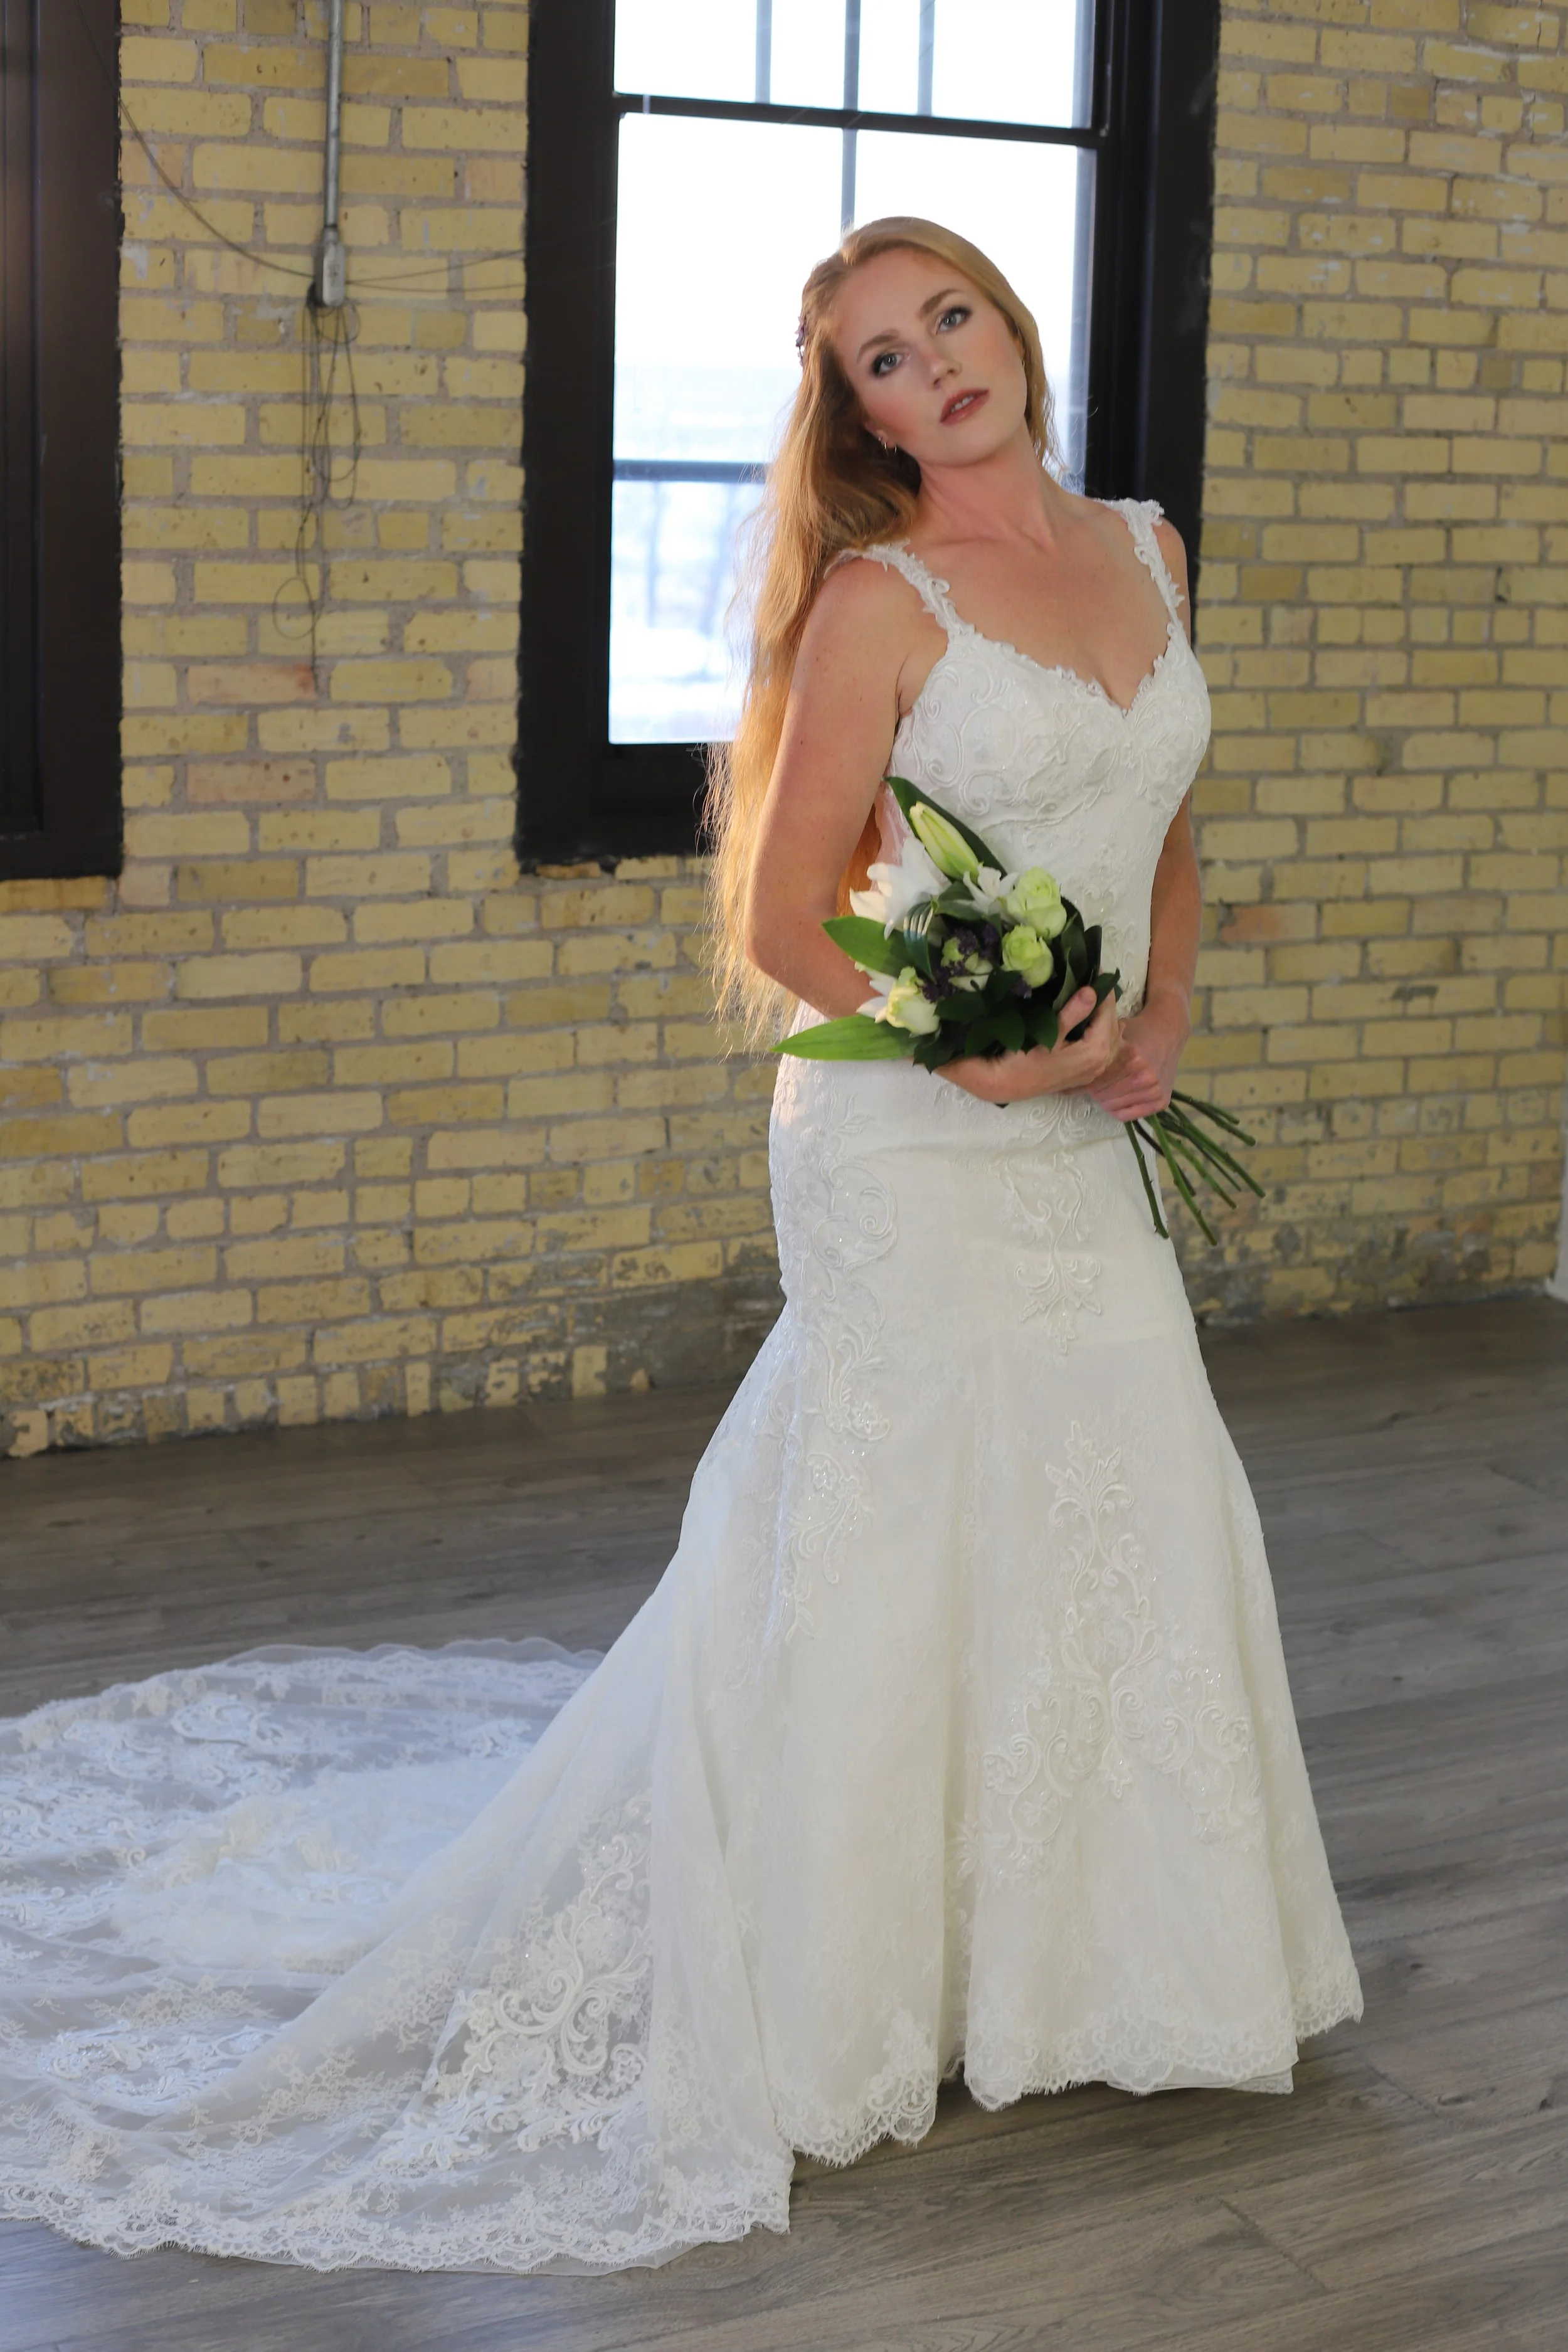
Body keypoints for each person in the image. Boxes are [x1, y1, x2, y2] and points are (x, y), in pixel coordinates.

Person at [0, 218, 1360, 2275]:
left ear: (1010, 321)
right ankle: (843, 1991)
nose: (933, 373)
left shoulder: (1148, 549)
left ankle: (1092, 1970)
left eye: (950, 324)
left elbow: (1160, 819)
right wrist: (973, 1049)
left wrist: (1156, 1018)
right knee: (887, 1520)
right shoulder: (875, 608)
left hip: (1079, 1122)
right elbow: (786, 921)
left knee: (1119, 1487)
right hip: (909, 1131)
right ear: (857, 413)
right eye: (882, 364)